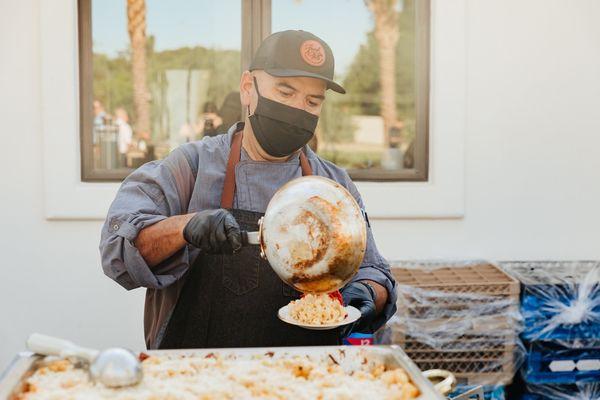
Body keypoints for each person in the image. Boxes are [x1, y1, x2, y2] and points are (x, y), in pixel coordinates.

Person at [100, 30, 397, 350]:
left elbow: (373, 271)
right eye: (285, 91)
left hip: (309, 378)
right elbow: (117, 249)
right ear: (247, 89)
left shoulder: (334, 187)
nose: (298, 108)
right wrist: (185, 227)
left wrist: (367, 294)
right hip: (197, 379)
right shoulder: (191, 167)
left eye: (312, 101)